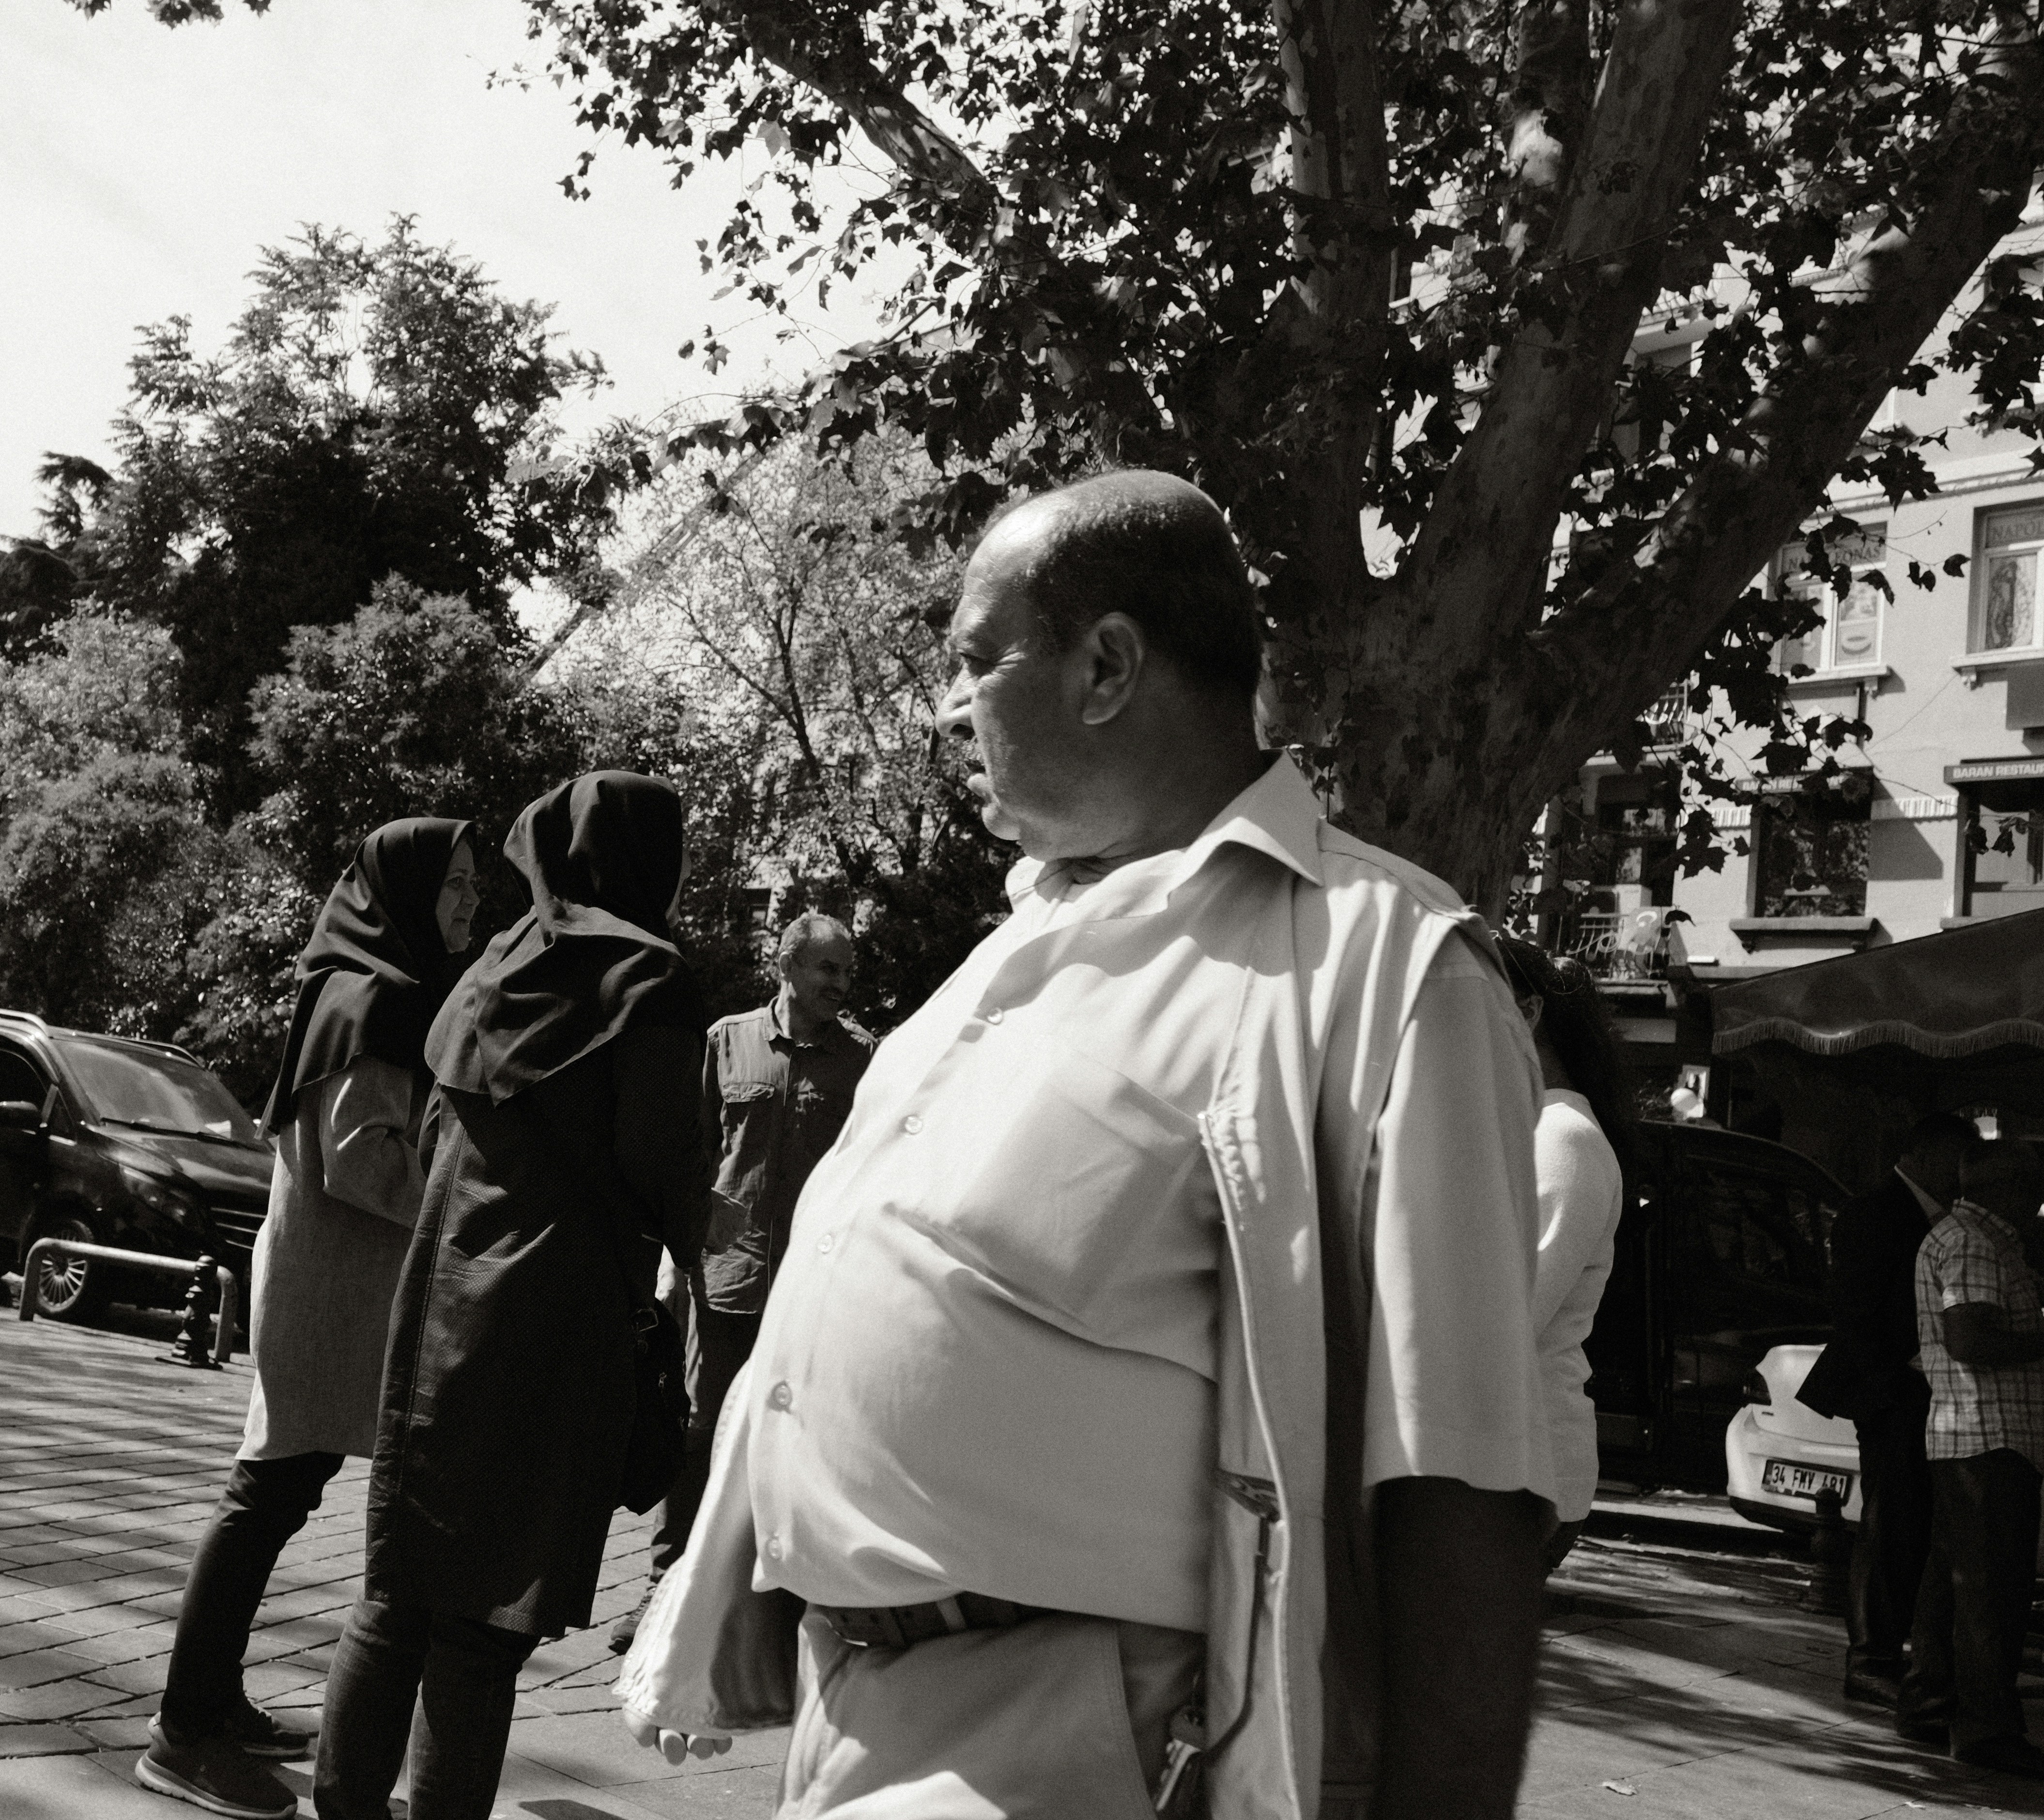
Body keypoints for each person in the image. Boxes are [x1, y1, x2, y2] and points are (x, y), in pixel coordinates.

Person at [621, 469, 1557, 1820]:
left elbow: (1461, 1478)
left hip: (1086, 1744)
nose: (947, 708)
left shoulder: (1384, 967)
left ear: (1108, 665)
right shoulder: (1006, 953)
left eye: (973, 659)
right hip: (851, 1711)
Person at [315, 772, 708, 1820]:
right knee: (484, 1630)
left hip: (440, 1305)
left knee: (397, 1598)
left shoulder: (487, 967)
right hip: (554, 1315)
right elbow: (668, 1167)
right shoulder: (649, 982)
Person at [140, 818, 479, 1820]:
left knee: (278, 1493)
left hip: (330, 1287)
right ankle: (181, 1732)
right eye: (453, 886)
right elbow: (363, 1158)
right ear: (406, 892)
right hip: (331, 1293)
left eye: (472, 886)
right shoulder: (373, 998)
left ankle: (211, 1701)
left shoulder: (366, 984)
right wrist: (464, 1202)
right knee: (264, 1496)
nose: (467, 904)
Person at [613, 912, 871, 1653]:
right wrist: (672, 1266)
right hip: (720, 1284)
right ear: (787, 967)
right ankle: (665, 1588)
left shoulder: (863, 1060)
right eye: (828, 969)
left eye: (847, 972)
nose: (841, 985)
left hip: (811, 1292)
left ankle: (766, 1609)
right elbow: (687, 1159)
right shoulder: (726, 1042)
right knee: (699, 1437)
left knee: (796, 1443)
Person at [1896, 1135, 2044, 1782]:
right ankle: (1986, 1728)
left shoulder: (1980, 1241)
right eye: (2036, 1190)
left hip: (1977, 1438)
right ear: (2005, 1189)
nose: (2042, 1205)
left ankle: (1930, 1700)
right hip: (1989, 1439)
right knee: (1991, 1593)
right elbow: (1970, 1338)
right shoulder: (1971, 1242)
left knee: (1953, 1584)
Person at [1798, 1111, 1970, 1704]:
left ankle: (1889, 1649)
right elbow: (1859, 1312)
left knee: (1911, 1522)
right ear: (1924, 1152)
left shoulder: (1940, 1215)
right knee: (1889, 1521)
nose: (1961, 1171)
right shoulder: (1876, 1212)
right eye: (1955, 1156)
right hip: (1893, 1390)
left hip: (1919, 1390)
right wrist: (1898, 1374)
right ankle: (1870, 1653)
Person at [1496, 938, 1629, 1574]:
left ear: (1527, 1012)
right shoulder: (1533, 1128)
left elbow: (1506, 1316)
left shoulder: (1562, 1139)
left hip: (1524, 1468)